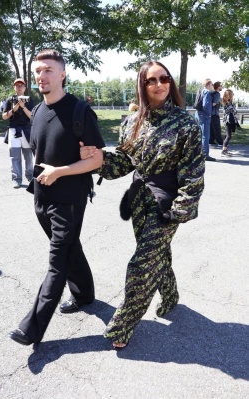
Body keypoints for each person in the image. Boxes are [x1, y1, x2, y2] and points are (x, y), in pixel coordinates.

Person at [80, 61, 205, 349]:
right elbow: (123, 163)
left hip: (168, 202)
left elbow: (193, 170)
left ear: (170, 83)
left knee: (141, 262)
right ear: (143, 85)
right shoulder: (131, 122)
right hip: (139, 199)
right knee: (156, 254)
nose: (159, 84)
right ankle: (171, 295)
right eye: (152, 80)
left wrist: (181, 208)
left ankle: (122, 327)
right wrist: (95, 158)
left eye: (164, 79)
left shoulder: (186, 123)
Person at [9, 49, 105, 346]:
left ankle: (32, 327)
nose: (42, 76)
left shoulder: (80, 112)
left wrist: (60, 171)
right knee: (68, 249)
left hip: (70, 199)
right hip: (41, 197)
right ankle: (85, 295)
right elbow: (41, 152)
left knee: (57, 260)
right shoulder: (36, 112)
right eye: (38, 71)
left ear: (62, 74)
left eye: (48, 70)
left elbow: (97, 160)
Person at [2, 79, 34, 188]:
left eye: (21, 85)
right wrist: (14, 108)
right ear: (14, 87)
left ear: (25, 87)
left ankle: (30, 176)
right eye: (17, 85)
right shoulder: (10, 100)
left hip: (26, 130)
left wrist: (23, 106)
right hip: (13, 130)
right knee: (14, 157)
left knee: (28, 156)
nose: (19, 87)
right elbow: (4, 116)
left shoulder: (29, 100)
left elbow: (32, 117)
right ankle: (16, 179)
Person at [194, 79, 216, 161]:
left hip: (198, 114)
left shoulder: (200, 91)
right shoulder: (207, 92)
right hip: (204, 115)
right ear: (209, 84)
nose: (213, 86)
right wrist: (209, 113)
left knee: (199, 135)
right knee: (205, 136)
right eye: (212, 84)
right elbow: (205, 105)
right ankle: (205, 154)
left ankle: (198, 153)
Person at [221, 89, 238, 156]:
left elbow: (234, 111)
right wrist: (234, 109)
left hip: (228, 121)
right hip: (228, 121)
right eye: (232, 94)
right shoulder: (227, 103)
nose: (233, 95)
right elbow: (234, 111)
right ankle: (224, 150)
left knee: (226, 136)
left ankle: (224, 149)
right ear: (229, 96)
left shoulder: (228, 103)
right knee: (228, 136)